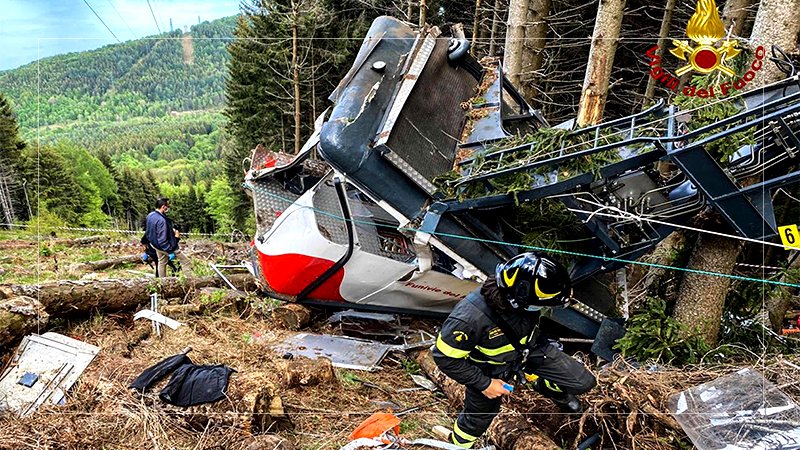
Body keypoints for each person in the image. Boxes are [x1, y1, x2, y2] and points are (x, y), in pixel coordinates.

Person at [432, 252, 596, 449]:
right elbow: (445, 358)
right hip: (489, 369)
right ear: (518, 298)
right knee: (477, 420)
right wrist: (484, 384)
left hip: (530, 350)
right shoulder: (469, 319)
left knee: (583, 381)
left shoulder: (524, 298)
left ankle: (546, 387)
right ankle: (458, 445)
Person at [145, 198, 188, 278]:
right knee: (186, 262)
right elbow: (162, 239)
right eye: (167, 206)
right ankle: (190, 280)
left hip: (155, 245)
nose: (168, 208)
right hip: (165, 247)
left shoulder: (150, 215)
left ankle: (163, 282)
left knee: (162, 262)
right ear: (163, 207)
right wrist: (170, 251)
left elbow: (149, 231)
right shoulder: (161, 220)